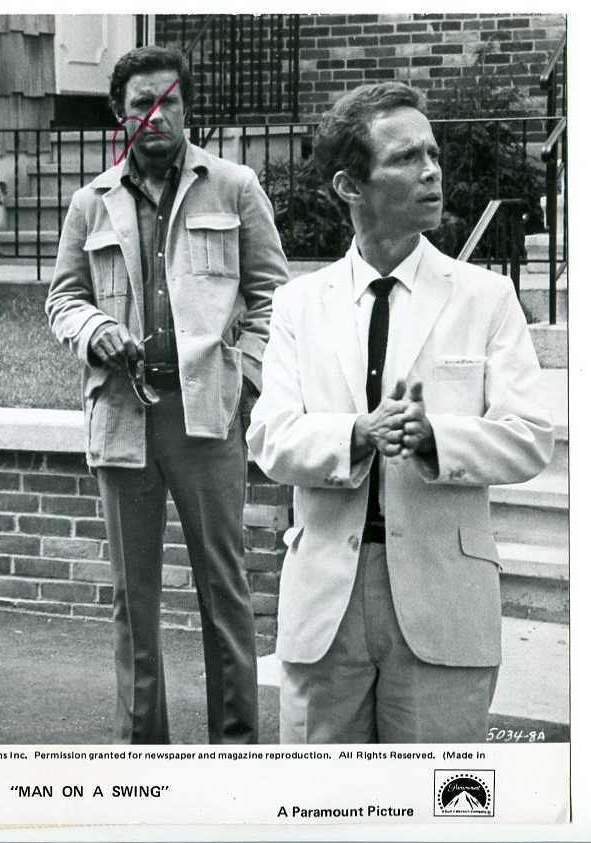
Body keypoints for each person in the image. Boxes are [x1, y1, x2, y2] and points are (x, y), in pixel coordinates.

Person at [247, 81, 553, 743]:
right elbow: (269, 438)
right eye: (406, 157)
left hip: (444, 597)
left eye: (433, 153)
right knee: (319, 794)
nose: (431, 170)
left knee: (437, 793)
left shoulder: (486, 297)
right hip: (325, 601)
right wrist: (356, 434)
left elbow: (530, 436)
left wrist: (435, 437)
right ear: (348, 186)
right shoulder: (301, 304)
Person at [46, 46, 288, 744]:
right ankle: (143, 751)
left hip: (205, 417)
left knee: (224, 590)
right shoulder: (89, 202)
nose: (155, 116)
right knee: (134, 599)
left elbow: (274, 298)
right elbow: (62, 299)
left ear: (186, 108)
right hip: (122, 417)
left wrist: (243, 376)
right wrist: (94, 328)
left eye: (168, 102)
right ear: (118, 116)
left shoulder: (234, 187)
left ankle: (233, 746)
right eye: (140, 105)